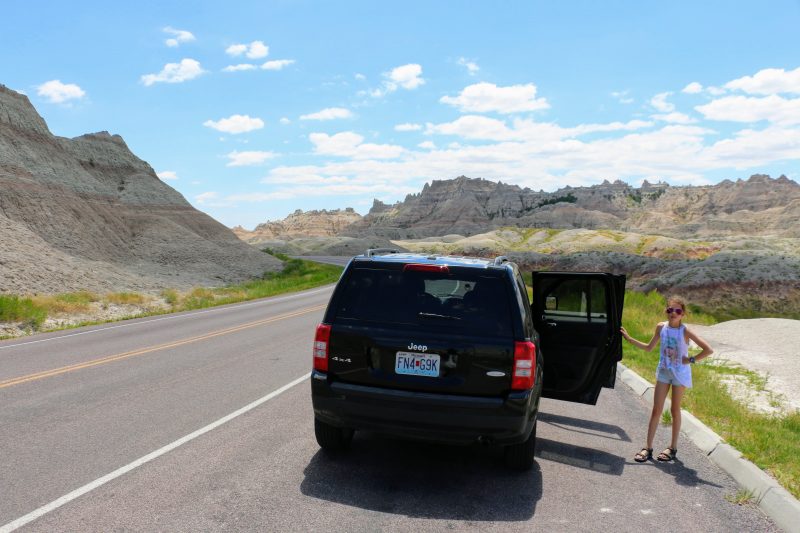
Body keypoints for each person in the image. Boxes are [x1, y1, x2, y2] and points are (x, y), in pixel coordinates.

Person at [620, 296, 713, 463]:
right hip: (664, 372)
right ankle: (647, 448)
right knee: (656, 410)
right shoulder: (661, 327)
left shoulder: (685, 331)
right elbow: (649, 348)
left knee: (675, 410)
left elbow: (708, 350)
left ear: (683, 313)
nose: (673, 313)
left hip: (679, 374)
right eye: (670, 310)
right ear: (666, 311)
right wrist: (629, 339)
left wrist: (690, 359)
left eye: (677, 311)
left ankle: (672, 448)